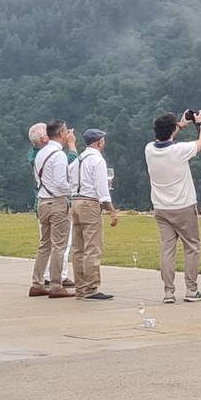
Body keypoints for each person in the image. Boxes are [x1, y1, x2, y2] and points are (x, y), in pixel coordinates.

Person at [144, 110, 201, 304]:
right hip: (183, 205)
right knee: (192, 247)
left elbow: (165, 138)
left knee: (167, 249)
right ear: (172, 130)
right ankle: (191, 289)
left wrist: (179, 125)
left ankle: (168, 292)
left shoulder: (149, 149)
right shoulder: (179, 150)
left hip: (161, 206)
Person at [67, 128, 119, 300]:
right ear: (99, 142)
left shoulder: (78, 161)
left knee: (78, 248)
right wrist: (111, 209)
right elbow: (102, 188)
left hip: (75, 201)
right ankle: (91, 287)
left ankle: (80, 286)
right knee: (92, 247)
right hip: (90, 202)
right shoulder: (98, 161)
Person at [30, 120, 77, 298]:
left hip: (43, 200)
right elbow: (61, 184)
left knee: (44, 245)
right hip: (57, 202)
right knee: (59, 245)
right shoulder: (58, 155)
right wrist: (74, 187)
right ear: (61, 133)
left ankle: (37, 282)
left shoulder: (41, 153)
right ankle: (57, 285)